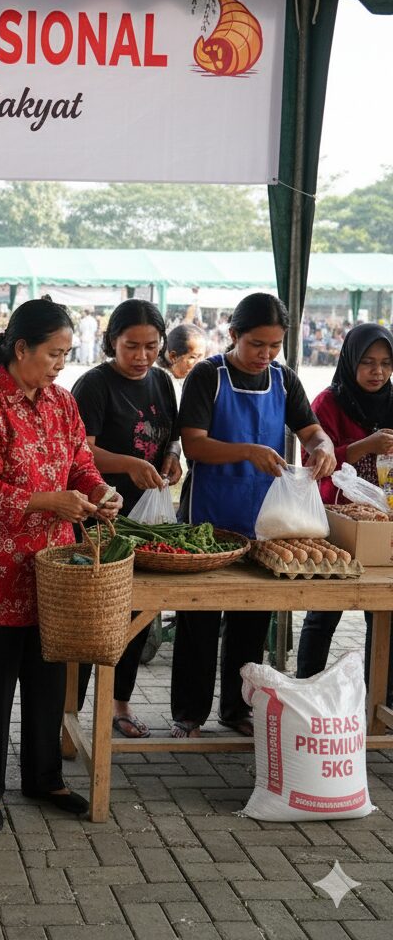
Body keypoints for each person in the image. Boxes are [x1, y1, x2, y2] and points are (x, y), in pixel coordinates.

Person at [0, 298, 122, 832]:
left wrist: (100, 491)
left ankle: (44, 778)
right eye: (53, 353)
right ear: (20, 348)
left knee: (47, 682)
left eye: (66, 354)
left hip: (51, 569)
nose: (61, 364)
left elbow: (80, 463)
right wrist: (51, 502)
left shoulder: (62, 403)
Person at [171, 292, 336, 738]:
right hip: (208, 518)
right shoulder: (208, 376)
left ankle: (237, 708)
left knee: (251, 620)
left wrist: (323, 446)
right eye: (256, 344)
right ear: (234, 334)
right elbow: (194, 445)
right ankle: (189, 713)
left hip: (265, 521)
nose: (265, 354)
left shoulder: (283, 380)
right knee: (199, 620)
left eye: (274, 346)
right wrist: (247, 451)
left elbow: (311, 430)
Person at [72, 299, 181, 739]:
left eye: (151, 346)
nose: (141, 356)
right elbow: (81, 451)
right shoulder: (94, 385)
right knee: (90, 619)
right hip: (100, 517)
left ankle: (121, 704)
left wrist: (171, 458)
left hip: (145, 521)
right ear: (111, 342)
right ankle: (69, 713)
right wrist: (128, 464)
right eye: (131, 346)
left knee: (135, 617)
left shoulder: (162, 381)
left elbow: (171, 436)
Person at [296, 323, 393, 700]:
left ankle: (380, 701)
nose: (377, 372)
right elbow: (313, 462)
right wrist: (365, 445)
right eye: (368, 362)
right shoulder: (328, 403)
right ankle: (307, 692)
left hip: (381, 524)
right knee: (324, 612)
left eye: (386, 363)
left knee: (384, 615)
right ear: (351, 360)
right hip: (334, 523)